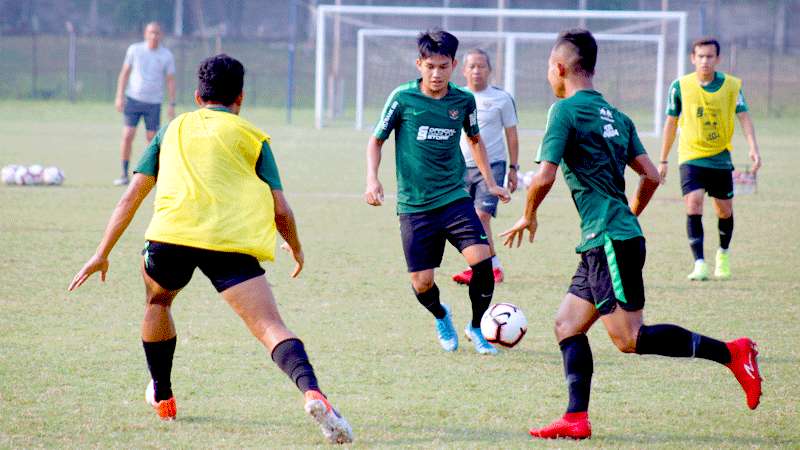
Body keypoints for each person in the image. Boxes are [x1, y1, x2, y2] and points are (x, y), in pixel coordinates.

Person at [69, 54, 353, 444]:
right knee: (270, 326)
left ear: (196, 95)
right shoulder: (253, 137)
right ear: (241, 97)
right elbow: (281, 207)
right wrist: (296, 247)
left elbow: (133, 194)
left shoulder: (171, 129)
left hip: (170, 237)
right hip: (229, 243)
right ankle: (313, 393)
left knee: (158, 303)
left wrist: (102, 251)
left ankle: (163, 396)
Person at [501, 29, 762, 440]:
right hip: (607, 238)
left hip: (607, 239)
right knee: (567, 324)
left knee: (629, 338)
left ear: (559, 68)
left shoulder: (564, 111)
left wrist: (528, 215)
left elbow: (545, 176)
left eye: (549, 69)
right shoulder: (617, 117)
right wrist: (629, 216)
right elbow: (653, 175)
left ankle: (733, 353)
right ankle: (575, 418)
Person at [364, 30, 510, 355]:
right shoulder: (402, 99)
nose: (436, 73)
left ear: (454, 65)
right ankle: (442, 315)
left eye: (443, 66)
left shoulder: (463, 100)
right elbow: (376, 140)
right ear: (419, 64)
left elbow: (474, 139)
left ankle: (476, 327)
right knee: (422, 283)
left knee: (482, 262)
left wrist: (491, 182)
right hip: (414, 206)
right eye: (430, 66)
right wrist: (372, 179)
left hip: (453, 199)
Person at [659, 37, 762, 281]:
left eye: (710, 56)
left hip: (720, 158)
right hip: (691, 155)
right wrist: (663, 159)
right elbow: (671, 124)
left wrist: (753, 148)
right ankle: (699, 263)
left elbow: (744, 117)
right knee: (693, 203)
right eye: (700, 56)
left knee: (724, 211)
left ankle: (722, 255)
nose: (705, 60)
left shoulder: (731, 86)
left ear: (718, 59)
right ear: (693, 58)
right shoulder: (680, 86)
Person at [451, 48, 520, 286]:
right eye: (472, 66)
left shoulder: (502, 98)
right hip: (461, 167)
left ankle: (487, 268)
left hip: (493, 166)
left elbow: (511, 134)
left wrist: (513, 167)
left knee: (481, 216)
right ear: (463, 70)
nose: (477, 70)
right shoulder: (456, 96)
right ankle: (487, 266)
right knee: (467, 220)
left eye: (481, 66)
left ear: (490, 70)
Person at [113, 22, 177, 186]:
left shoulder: (166, 55)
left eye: (156, 33)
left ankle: (152, 176)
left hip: (153, 103)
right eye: (151, 32)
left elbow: (170, 80)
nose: (154, 36)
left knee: (152, 140)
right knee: (127, 135)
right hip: (133, 99)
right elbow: (124, 73)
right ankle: (123, 173)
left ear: (161, 35)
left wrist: (171, 103)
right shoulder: (135, 50)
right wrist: (119, 96)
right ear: (145, 34)